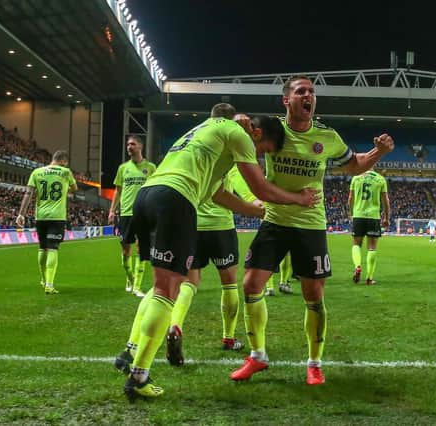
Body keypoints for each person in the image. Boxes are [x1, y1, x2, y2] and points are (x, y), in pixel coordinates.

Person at [116, 110, 319, 401]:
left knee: (160, 285)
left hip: (148, 196)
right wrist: (300, 199)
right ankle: (139, 376)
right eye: (263, 151)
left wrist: (260, 211)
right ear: (258, 134)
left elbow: (219, 196)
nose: (258, 156)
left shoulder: (207, 134)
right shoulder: (240, 135)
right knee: (167, 290)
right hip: (176, 199)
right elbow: (258, 186)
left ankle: (131, 351)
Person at [230, 75, 394, 386]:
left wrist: (379, 153)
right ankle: (257, 356)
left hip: (310, 224)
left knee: (314, 294)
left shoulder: (327, 136)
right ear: (286, 100)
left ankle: (314, 363)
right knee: (251, 284)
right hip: (275, 219)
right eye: (301, 91)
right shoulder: (272, 128)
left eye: (312, 92)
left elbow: (353, 165)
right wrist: (239, 120)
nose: (309, 96)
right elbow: (241, 127)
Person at [165, 103, 267, 364]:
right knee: (229, 282)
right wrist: (257, 205)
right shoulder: (230, 154)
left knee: (189, 282)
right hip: (221, 226)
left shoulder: (198, 147)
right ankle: (229, 338)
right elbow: (247, 190)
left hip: (193, 225)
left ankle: (175, 325)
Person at [16, 150, 78, 294]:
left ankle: (43, 279)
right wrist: (65, 188)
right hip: (57, 217)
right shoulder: (65, 172)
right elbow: (75, 188)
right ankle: (49, 284)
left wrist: (21, 214)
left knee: (42, 247)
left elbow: (28, 193)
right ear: (63, 161)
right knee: (53, 248)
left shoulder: (37, 172)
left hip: (41, 216)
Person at [108, 135, 156, 297]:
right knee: (125, 250)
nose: (129, 146)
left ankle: (137, 286)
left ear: (140, 147)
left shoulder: (150, 168)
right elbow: (118, 191)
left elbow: (155, 189)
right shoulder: (123, 168)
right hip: (126, 213)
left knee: (141, 249)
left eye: (133, 144)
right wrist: (112, 210)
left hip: (144, 213)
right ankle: (130, 278)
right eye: (128, 144)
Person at [348, 168, 390, 285]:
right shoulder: (380, 179)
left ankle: (357, 266)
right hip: (373, 217)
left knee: (356, 244)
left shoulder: (356, 178)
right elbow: (386, 200)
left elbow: (350, 198)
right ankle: (369, 278)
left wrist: (351, 213)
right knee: (372, 247)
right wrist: (386, 217)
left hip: (358, 216)